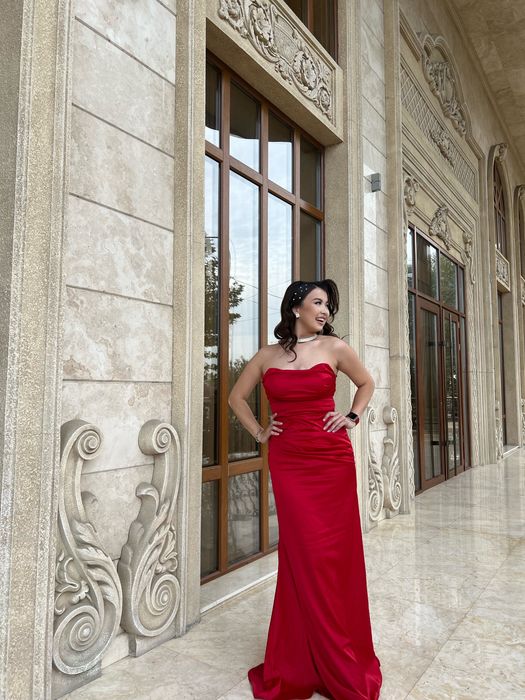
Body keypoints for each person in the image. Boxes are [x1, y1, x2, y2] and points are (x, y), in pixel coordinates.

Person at [228, 279, 383, 700]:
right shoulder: (266, 355)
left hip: (331, 460)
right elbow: (236, 398)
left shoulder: (335, 347)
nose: (325, 310)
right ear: (295, 307)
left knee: (332, 555)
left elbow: (366, 383)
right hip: (289, 460)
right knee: (301, 552)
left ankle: (338, 654)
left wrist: (351, 416)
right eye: (318, 302)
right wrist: (260, 432)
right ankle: (299, 656)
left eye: (328, 305)